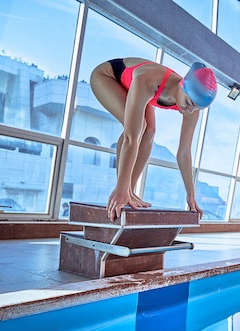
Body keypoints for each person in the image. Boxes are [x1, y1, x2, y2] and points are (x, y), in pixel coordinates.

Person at [90, 58, 217, 221]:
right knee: (138, 128)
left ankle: (130, 192)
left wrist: (190, 196)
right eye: (189, 103)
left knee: (150, 131)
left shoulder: (192, 108)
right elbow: (130, 138)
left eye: (196, 108)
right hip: (108, 77)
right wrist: (120, 189)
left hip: (133, 86)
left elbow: (184, 153)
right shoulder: (150, 80)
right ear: (182, 85)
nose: (190, 111)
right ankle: (123, 190)